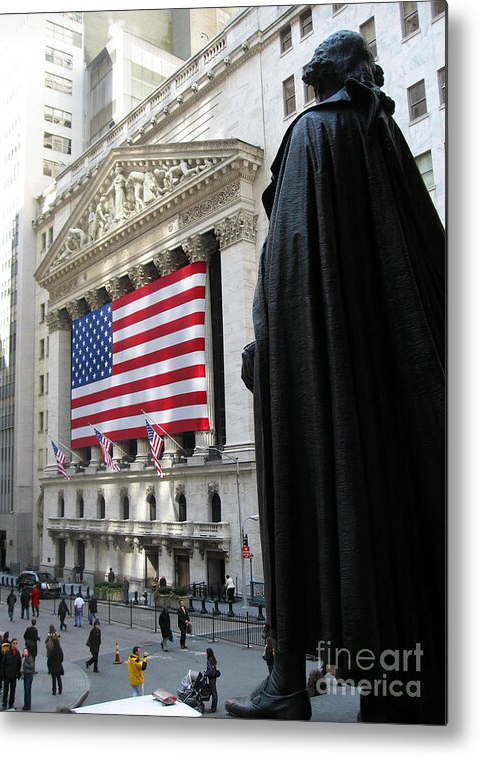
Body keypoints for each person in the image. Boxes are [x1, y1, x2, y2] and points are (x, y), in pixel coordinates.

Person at [227, 30, 445, 725]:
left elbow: (287, 270)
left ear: (321, 78)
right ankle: (407, 682)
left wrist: (270, 353)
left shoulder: (313, 136)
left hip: (324, 375)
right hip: (396, 382)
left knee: (304, 506)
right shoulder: (384, 142)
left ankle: (287, 679)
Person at [1, 638, 21, 710]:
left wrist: (18, 673)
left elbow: (19, 664)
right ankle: (4, 704)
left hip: (13, 675)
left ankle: (11, 703)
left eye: (16, 643)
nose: (15, 644)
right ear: (11, 644)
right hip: (7, 674)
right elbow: (3, 663)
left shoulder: (17, 653)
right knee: (6, 690)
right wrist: (2, 674)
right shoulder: (7, 652)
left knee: (13, 690)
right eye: (14, 643)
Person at [205, 647, 220, 714]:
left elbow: (210, 670)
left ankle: (213, 708)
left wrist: (206, 674)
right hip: (214, 677)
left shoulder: (209, 660)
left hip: (211, 677)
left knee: (213, 692)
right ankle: (214, 707)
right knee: (214, 692)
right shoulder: (213, 658)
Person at [21, 647, 35, 711]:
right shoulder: (24, 658)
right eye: (24, 651)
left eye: (26, 651)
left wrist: (25, 664)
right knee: (26, 691)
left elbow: (32, 666)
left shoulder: (30, 658)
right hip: (25, 675)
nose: (24, 652)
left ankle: (27, 705)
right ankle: (26, 704)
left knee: (27, 690)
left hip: (29, 675)